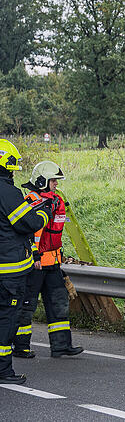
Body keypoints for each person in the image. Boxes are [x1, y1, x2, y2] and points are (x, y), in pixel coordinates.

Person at [13, 161, 83, 359]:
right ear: (42, 180)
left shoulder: (54, 200)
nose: (56, 184)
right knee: (27, 306)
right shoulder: (31, 201)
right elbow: (28, 233)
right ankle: (21, 347)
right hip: (35, 264)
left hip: (52, 263)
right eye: (53, 181)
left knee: (59, 303)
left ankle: (61, 346)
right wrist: (34, 255)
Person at [0, 139, 51, 384]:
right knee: (8, 319)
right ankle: (3, 370)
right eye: (11, 166)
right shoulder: (7, 193)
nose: (13, 170)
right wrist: (44, 212)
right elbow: (28, 223)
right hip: (8, 272)